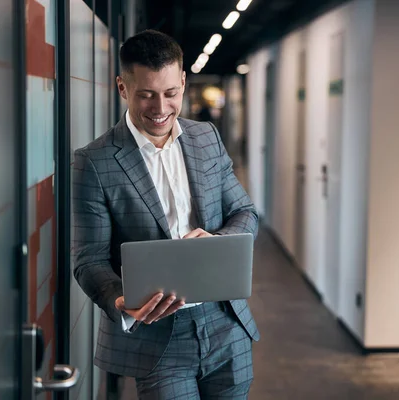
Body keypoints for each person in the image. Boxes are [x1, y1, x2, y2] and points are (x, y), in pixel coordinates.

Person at [72, 29, 259, 399]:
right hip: (157, 337)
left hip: (225, 324)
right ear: (123, 88)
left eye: (171, 93)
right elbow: (88, 259)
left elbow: (244, 211)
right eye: (146, 95)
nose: (160, 108)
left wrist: (217, 241)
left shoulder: (206, 137)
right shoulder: (93, 162)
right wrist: (120, 301)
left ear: (184, 82)